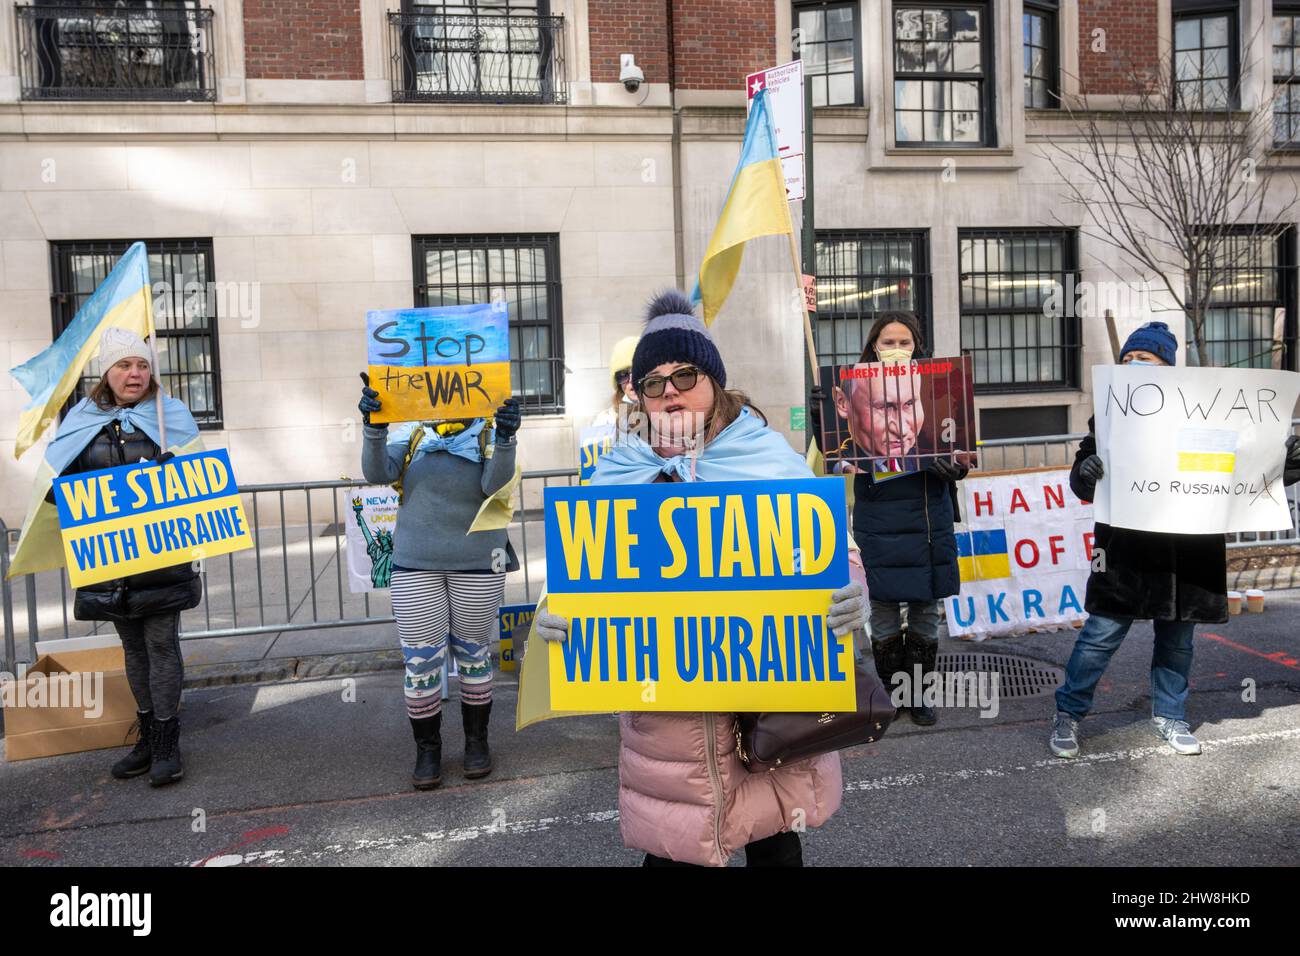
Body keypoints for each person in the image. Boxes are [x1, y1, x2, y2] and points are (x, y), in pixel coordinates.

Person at [533, 291, 869, 867]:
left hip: (768, 708)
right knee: (674, 853)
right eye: (653, 382)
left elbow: (835, 548)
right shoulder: (618, 471)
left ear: (713, 381)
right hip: (668, 722)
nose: (670, 391)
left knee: (777, 849)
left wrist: (853, 591)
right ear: (637, 394)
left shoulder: (767, 457)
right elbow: (582, 570)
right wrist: (553, 610)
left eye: (685, 374)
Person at [1051, 321, 1300, 758]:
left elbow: (1246, 473)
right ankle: (1068, 714)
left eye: (1142, 359)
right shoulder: (1110, 415)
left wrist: (1288, 461)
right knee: (1100, 636)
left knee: (1177, 640)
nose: (1131, 366)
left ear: (1167, 367)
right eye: (1126, 359)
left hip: (1188, 550)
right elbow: (1081, 481)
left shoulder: (1215, 415)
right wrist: (1085, 471)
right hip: (1124, 550)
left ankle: (1170, 715)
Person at [45, 328, 203, 786]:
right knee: (132, 648)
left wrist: (170, 471)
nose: (134, 374)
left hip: (162, 556)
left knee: (160, 644)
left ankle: (166, 743)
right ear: (107, 372)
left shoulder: (170, 415)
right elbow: (56, 488)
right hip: (109, 560)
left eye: (142, 365)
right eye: (124, 365)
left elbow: (199, 483)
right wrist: (81, 493)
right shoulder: (79, 420)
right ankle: (148, 734)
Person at [359, 377, 520, 790]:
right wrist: (374, 424)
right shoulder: (411, 429)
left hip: (478, 564)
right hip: (415, 565)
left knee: (474, 656)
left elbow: (495, 487)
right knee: (421, 664)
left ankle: (476, 744)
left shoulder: (487, 429)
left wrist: (505, 439)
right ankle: (427, 750)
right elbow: (377, 472)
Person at [843, 312, 966, 726]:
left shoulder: (942, 397)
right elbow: (832, 457)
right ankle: (893, 693)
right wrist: (825, 416)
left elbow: (963, 455)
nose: (896, 349)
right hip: (878, 520)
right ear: (873, 347)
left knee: (925, 610)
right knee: (882, 610)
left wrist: (953, 468)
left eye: (905, 342)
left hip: (928, 521)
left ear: (918, 348)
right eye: (887, 342)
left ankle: (920, 694)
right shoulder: (854, 397)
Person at [832, 360, 926, 470]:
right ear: (843, 403)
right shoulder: (841, 462)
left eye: (909, 404)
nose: (902, 431)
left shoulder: (922, 459)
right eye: (885, 407)